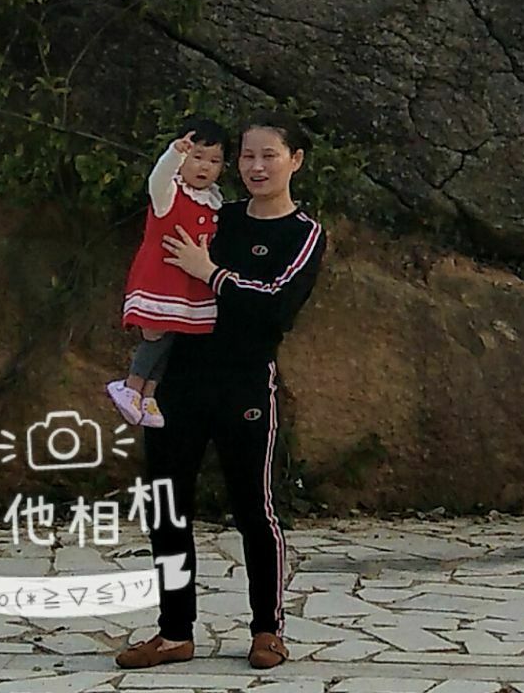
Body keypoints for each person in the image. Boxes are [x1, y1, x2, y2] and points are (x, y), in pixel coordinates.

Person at [115, 117, 327, 673]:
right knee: (167, 508)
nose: (256, 167)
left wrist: (211, 273)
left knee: (254, 510)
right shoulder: (216, 214)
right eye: (247, 157)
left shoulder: (303, 233)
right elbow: (162, 244)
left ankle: (267, 630)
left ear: (295, 160)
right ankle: (173, 632)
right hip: (181, 381)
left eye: (269, 156)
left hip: (245, 384)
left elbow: (275, 306)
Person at [108, 122, 229, 428]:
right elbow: (157, 179)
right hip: (160, 278)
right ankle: (131, 386)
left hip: (189, 286)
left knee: (171, 337)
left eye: (214, 161)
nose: (205, 167)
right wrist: (174, 154)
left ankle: (149, 395)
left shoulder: (216, 202)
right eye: (197, 157)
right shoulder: (170, 193)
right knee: (156, 333)